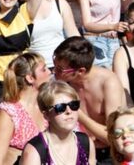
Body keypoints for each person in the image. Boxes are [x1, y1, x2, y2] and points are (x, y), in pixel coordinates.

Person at [52, 36, 128, 164]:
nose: (54, 71)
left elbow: (114, 137)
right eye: (54, 64)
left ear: (81, 71)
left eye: (60, 69)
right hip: (76, 151)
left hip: (109, 154)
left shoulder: (108, 83)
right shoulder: (63, 84)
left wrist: (79, 114)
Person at [0, 53, 53, 165]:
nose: (49, 72)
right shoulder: (9, 112)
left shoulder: (47, 105)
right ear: (30, 78)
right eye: (44, 69)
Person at [20, 81, 96, 165]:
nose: (68, 111)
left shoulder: (86, 142)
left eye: (73, 105)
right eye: (60, 107)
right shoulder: (35, 151)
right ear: (46, 115)